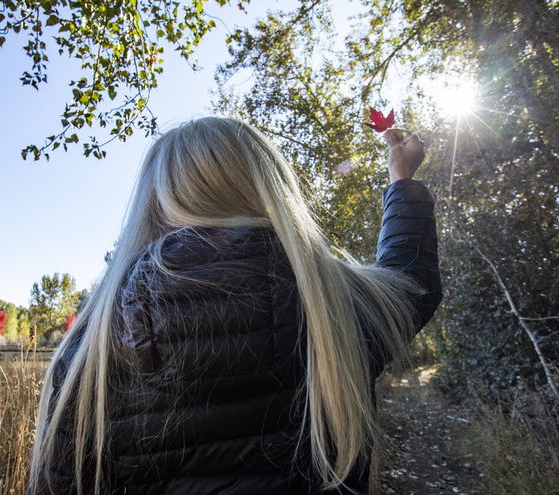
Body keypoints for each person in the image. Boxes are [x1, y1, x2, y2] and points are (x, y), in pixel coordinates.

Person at [27, 116, 442, 495]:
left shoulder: (96, 338)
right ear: (270, 187)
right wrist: (401, 179)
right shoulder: (335, 304)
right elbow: (409, 282)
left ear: (153, 203)